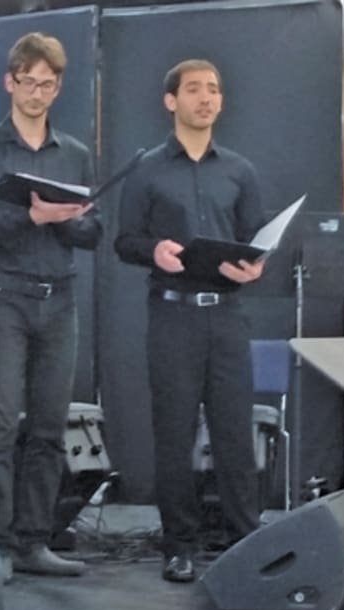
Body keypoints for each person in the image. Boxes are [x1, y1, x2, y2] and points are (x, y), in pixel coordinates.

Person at [115, 59, 265, 583]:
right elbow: (124, 240)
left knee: (234, 435)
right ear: (170, 101)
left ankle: (247, 540)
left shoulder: (240, 171)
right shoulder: (147, 168)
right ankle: (179, 545)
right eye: (195, 89)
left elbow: (256, 242)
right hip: (173, 315)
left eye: (214, 90)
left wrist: (252, 266)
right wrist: (153, 250)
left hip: (226, 317)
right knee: (174, 434)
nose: (206, 98)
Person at [0, 33, 97, 582]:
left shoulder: (75, 152)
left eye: (47, 84)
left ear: (58, 88)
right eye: (28, 81)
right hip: (2, 295)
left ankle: (35, 541)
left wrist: (66, 220)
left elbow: (94, 230)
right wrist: (35, 218)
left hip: (59, 297)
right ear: (9, 82)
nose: (36, 92)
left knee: (48, 427)